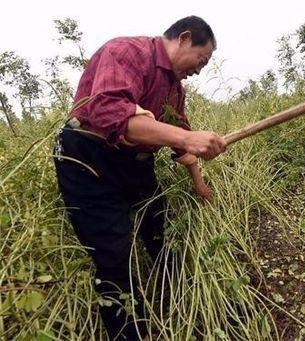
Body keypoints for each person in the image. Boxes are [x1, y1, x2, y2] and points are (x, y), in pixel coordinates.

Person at [53, 16, 226, 340]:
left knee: (159, 225)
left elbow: (181, 138)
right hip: (88, 160)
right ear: (185, 38)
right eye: (202, 60)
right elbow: (110, 116)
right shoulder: (128, 52)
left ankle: (178, 297)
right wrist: (186, 138)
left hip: (134, 164)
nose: (200, 69)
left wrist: (198, 179)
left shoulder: (175, 91)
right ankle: (130, 333)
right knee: (113, 255)